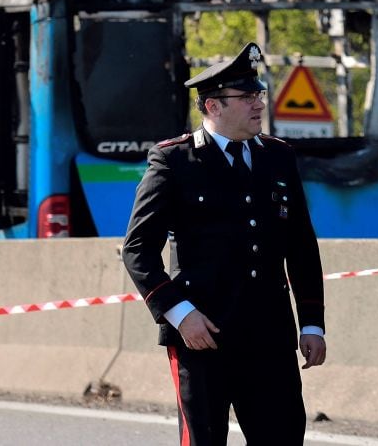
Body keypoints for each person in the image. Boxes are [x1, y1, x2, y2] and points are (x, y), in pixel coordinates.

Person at [121, 42, 326, 446]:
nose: (258, 104)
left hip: (269, 336)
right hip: (203, 336)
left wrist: (313, 323)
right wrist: (179, 315)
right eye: (246, 97)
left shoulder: (278, 157)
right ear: (213, 106)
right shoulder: (174, 161)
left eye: (259, 94)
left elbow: (301, 245)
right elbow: (138, 248)